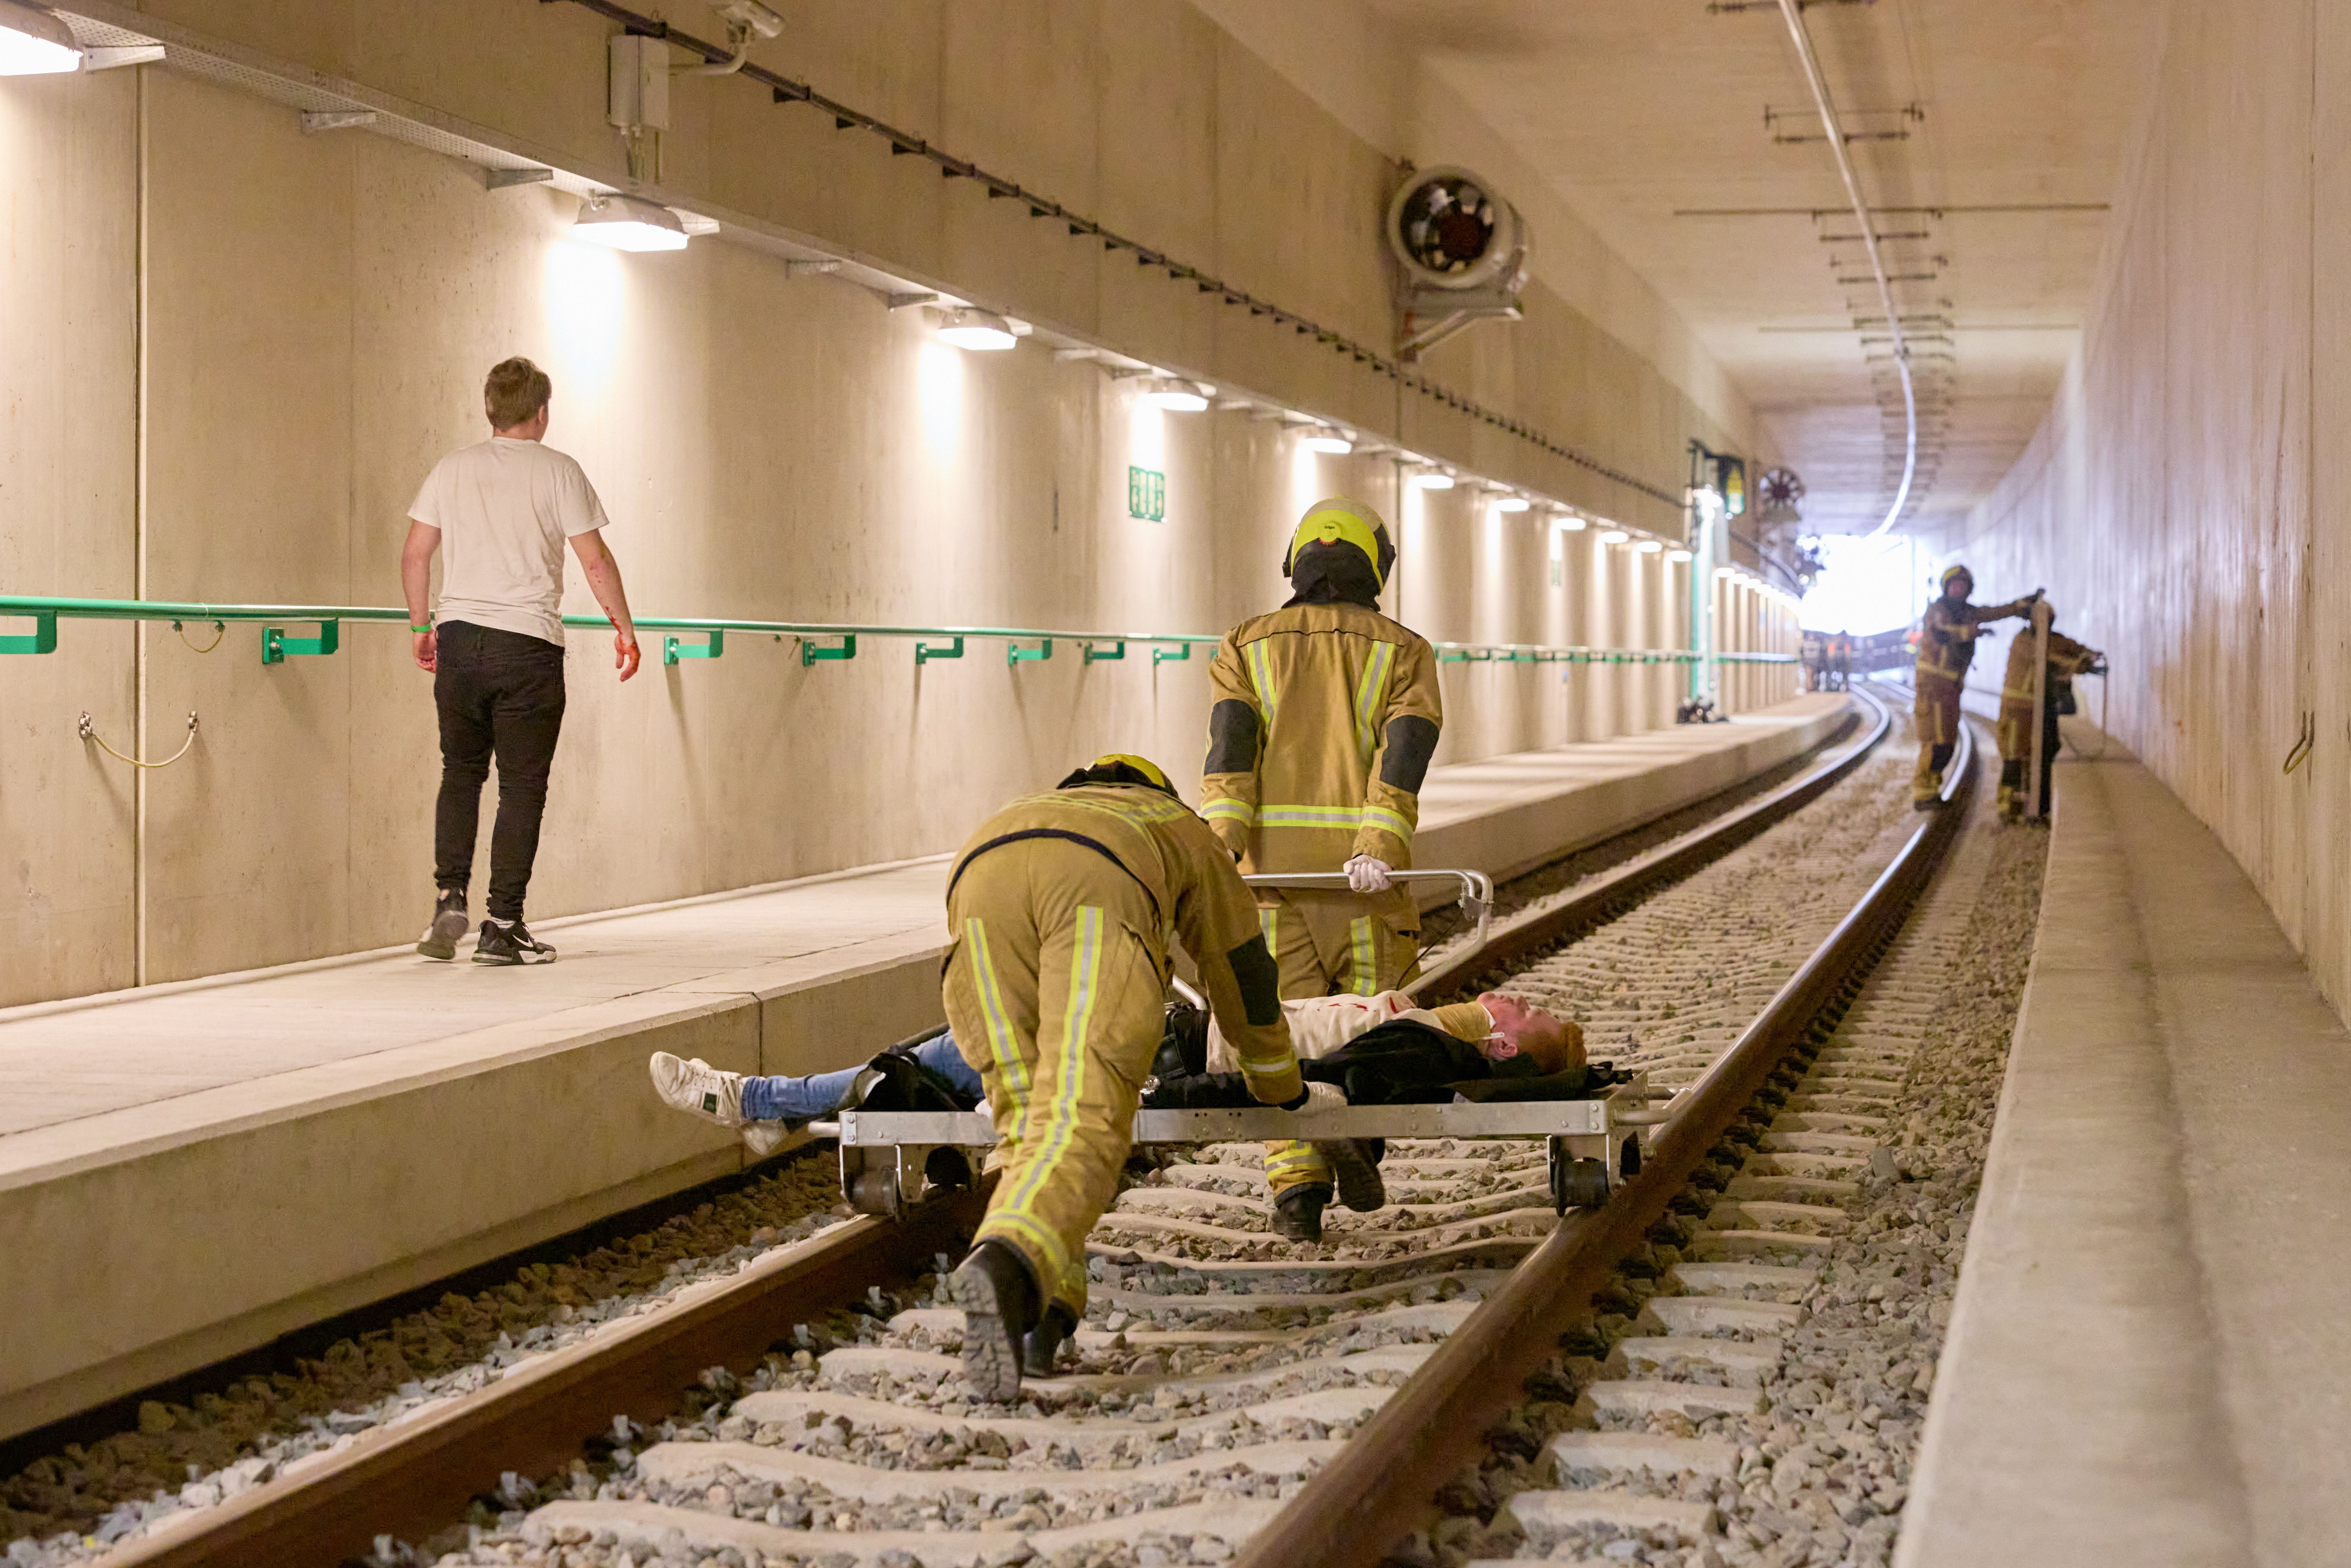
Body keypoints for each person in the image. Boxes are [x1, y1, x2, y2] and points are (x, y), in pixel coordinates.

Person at [938, 754, 1305, 1400]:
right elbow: (1241, 968)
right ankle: (1008, 1262)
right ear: (1156, 789)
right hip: (1094, 892)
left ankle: (1041, 1320)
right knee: (1083, 1118)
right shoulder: (1176, 826)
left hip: (976, 875)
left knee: (1029, 1127)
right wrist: (1281, 1086)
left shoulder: (1033, 807)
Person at [1201, 496, 1442, 1238]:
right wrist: (1377, 846)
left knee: (1279, 1031)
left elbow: (1231, 756)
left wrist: (1222, 852)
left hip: (1269, 893)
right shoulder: (1404, 650)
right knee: (1365, 1030)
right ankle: (1359, 1136)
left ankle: (1298, 1190)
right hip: (1364, 890)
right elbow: (1402, 759)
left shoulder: (1244, 645)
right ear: (1377, 567)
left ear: (1296, 564)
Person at [403, 357, 641, 965]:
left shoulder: (451, 468)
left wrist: (421, 626)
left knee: (460, 772)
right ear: (541, 412)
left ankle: (448, 895)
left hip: (458, 638)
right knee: (522, 787)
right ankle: (502, 923)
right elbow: (595, 561)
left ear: (490, 409)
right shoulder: (559, 470)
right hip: (526, 645)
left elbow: (416, 553)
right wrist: (624, 627)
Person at [1911, 565, 2037, 809]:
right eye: (1954, 585)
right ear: (1946, 588)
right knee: (1936, 742)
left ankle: (1930, 790)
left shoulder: (1969, 612)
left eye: (1963, 585)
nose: (1958, 589)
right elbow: (1942, 632)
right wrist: (1970, 632)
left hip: (1951, 688)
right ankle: (1923, 792)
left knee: (1947, 742)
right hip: (1933, 687)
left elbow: (1994, 612)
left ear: (1969, 590)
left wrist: (2019, 606)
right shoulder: (1938, 610)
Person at [1996, 611, 2102, 821]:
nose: (2043, 623)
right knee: (2014, 755)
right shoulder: (2023, 640)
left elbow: (2076, 649)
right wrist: (2074, 664)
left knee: (2046, 754)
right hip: (2018, 709)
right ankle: (2008, 806)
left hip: (2044, 709)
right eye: (2040, 619)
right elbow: (2045, 655)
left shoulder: (2055, 640)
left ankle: (2039, 808)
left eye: (2047, 620)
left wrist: (2089, 656)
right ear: (2032, 621)